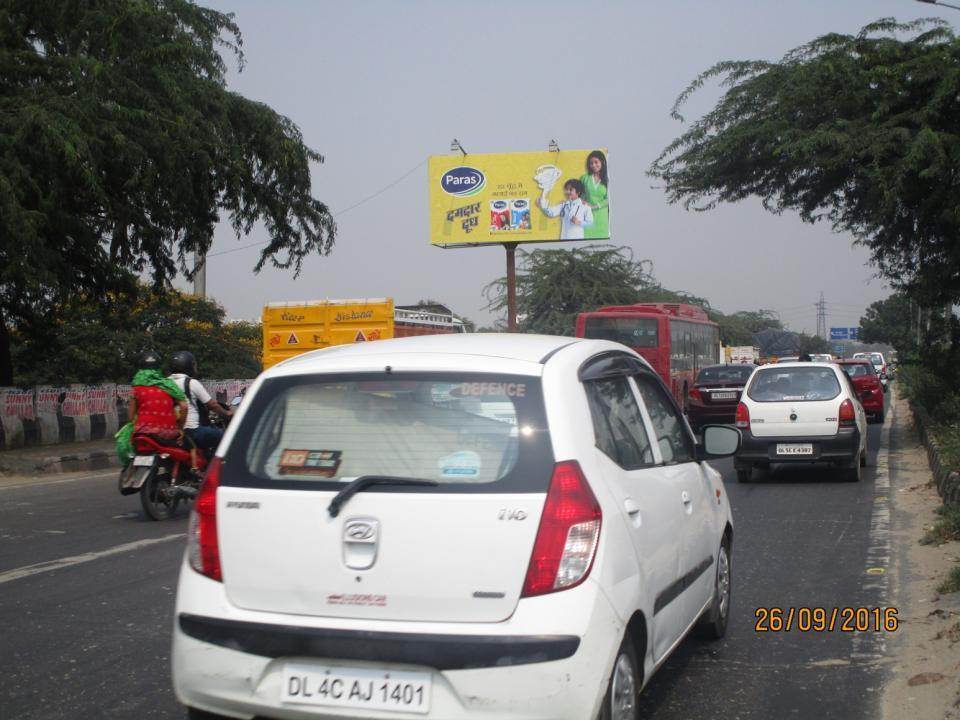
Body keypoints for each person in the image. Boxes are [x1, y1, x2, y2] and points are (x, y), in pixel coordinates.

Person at [168, 350, 233, 457]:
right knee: (226, 438)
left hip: (170, 430)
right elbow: (212, 405)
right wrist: (226, 413)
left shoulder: (164, 383)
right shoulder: (191, 383)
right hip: (191, 431)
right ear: (189, 365)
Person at [129, 350, 188, 444]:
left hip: (141, 434)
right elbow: (184, 406)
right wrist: (180, 428)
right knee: (190, 448)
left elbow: (131, 417)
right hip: (168, 433)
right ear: (159, 367)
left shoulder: (136, 388)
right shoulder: (168, 385)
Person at [580, 150, 609, 239]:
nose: (593, 165)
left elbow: (609, 199)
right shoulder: (585, 178)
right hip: (587, 216)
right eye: (591, 163)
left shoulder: (608, 178)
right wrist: (583, 202)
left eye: (596, 162)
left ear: (602, 162)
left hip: (602, 217)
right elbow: (580, 195)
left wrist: (595, 206)